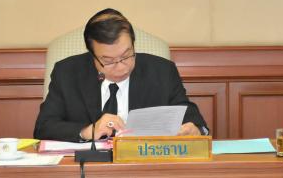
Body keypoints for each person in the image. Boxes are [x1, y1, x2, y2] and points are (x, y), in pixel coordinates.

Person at [34, 8, 208, 142]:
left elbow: (194, 120)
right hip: (88, 168)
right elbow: (44, 127)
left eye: (126, 55)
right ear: (92, 55)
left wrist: (196, 130)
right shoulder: (67, 73)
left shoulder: (162, 71)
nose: (120, 67)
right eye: (108, 61)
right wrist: (88, 131)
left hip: (144, 167)